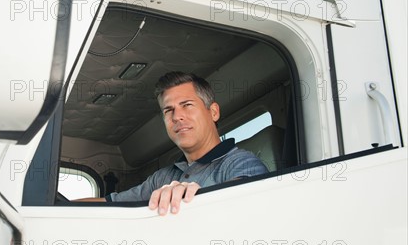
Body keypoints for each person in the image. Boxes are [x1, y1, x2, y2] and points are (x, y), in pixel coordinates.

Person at [77, 71, 268, 215]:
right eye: (168, 110)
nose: (177, 117)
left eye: (187, 105)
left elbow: (247, 198)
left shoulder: (241, 163)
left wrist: (196, 196)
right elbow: (107, 203)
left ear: (213, 112)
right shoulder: (162, 178)